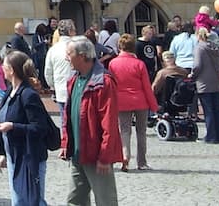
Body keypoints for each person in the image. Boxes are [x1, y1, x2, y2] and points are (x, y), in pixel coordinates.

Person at [61, 36, 122, 206]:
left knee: (105, 201)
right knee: (74, 201)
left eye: (69, 53)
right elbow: (69, 116)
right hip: (78, 154)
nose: (66, 57)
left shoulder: (103, 82)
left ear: (82, 56)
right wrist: (67, 144)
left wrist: (105, 157)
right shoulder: (74, 80)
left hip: (96, 154)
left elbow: (108, 122)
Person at [0, 50, 50, 206]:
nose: (1, 67)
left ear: (11, 70)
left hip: (29, 156)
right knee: (18, 200)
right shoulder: (9, 92)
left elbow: (40, 128)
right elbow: (0, 120)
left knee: (33, 200)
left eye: (4, 65)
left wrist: (13, 126)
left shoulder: (28, 95)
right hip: (14, 155)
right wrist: (2, 154)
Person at [109, 34, 158, 171]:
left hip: (121, 100)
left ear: (120, 47)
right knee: (141, 131)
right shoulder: (139, 64)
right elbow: (147, 87)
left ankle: (125, 156)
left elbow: (111, 85)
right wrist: (153, 105)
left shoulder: (113, 63)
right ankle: (141, 162)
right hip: (140, 100)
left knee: (124, 130)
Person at [191, 27, 219, 144]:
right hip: (216, 81)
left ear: (198, 35)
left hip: (204, 82)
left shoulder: (199, 48)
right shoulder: (215, 47)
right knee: (218, 110)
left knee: (208, 110)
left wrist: (192, 75)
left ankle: (211, 136)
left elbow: (197, 65)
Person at [44, 20, 77, 124]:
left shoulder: (53, 49)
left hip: (61, 90)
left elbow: (48, 73)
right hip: (77, 90)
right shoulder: (77, 46)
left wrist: (54, 85)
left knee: (64, 123)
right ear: (71, 31)